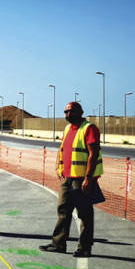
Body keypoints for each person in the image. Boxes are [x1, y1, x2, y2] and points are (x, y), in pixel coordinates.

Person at [40, 101, 103, 258]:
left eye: (72, 111)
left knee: (84, 214)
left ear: (81, 112)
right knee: (63, 210)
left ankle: (85, 247)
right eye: (66, 111)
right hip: (67, 178)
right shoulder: (68, 128)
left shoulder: (89, 128)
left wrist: (88, 179)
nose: (68, 114)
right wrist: (58, 167)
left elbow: (93, 154)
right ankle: (58, 244)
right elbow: (63, 149)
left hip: (81, 178)